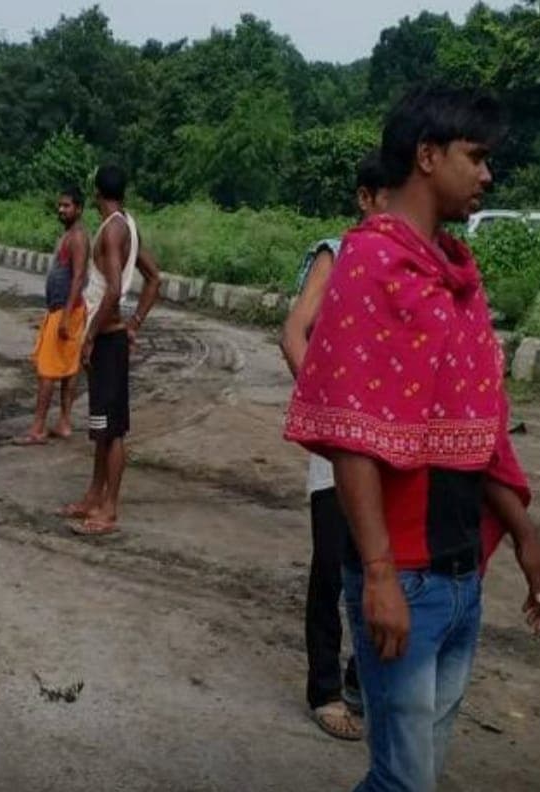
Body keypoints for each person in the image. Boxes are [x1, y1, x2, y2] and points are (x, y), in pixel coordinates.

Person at [285, 86, 540, 791]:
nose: (486, 176)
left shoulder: (455, 275)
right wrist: (376, 574)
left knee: (417, 770)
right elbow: (350, 435)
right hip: (406, 575)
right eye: (476, 157)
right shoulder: (367, 267)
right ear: (427, 156)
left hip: (460, 574)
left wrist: (522, 534)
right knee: (404, 779)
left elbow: (482, 425)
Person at [280, 150, 389, 742]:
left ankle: (357, 679)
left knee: (379, 566)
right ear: (364, 199)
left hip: (389, 451)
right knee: (331, 564)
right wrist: (329, 412)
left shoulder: (408, 261)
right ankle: (324, 688)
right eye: (381, 199)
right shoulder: (337, 252)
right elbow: (293, 333)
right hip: (339, 446)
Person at [60, 165, 161, 535]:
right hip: (113, 335)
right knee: (102, 427)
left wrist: (92, 335)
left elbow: (115, 288)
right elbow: (155, 277)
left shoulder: (111, 230)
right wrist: (134, 323)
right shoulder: (128, 226)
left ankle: (110, 508)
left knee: (113, 429)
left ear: (96, 191)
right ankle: (93, 496)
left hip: (106, 340)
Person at [14, 185, 89, 445]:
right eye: (60, 205)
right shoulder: (68, 234)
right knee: (67, 368)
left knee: (48, 370)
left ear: (79, 208)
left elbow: (79, 276)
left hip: (67, 311)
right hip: (60, 309)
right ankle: (64, 422)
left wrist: (66, 315)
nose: (61, 209)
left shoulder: (78, 237)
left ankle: (37, 428)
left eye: (67, 206)